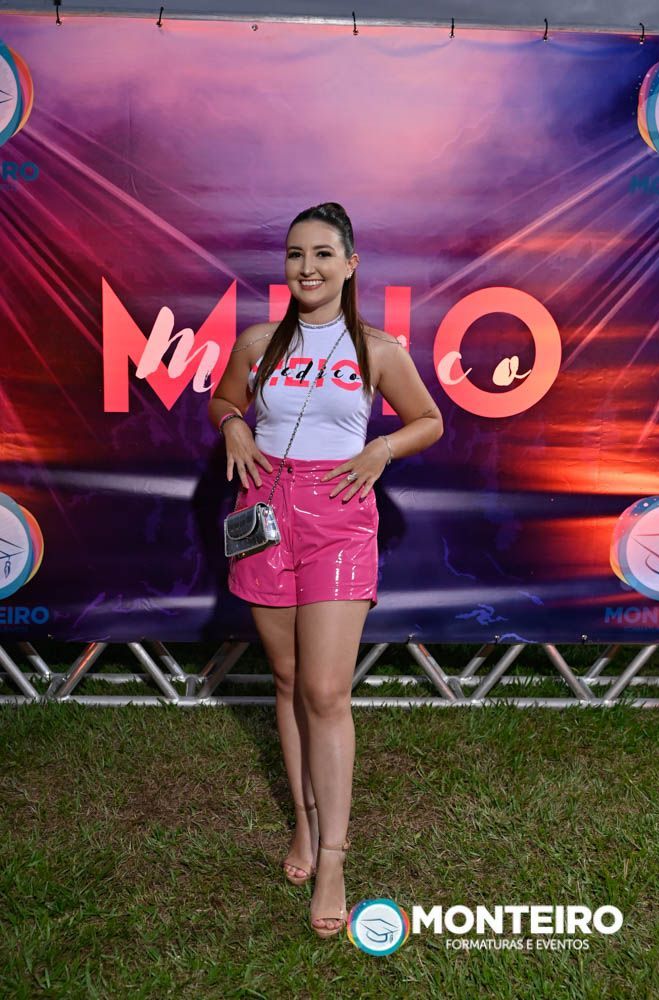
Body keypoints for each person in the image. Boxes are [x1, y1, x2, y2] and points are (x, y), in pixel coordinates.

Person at [208, 202, 443, 939]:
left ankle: (335, 859)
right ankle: (305, 825)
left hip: (339, 514)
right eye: (294, 254)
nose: (306, 267)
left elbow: (429, 419)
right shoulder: (258, 341)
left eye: (321, 254)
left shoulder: (377, 348)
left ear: (349, 264)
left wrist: (380, 450)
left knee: (324, 689)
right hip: (263, 510)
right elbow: (224, 397)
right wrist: (234, 423)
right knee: (285, 681)